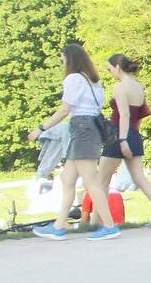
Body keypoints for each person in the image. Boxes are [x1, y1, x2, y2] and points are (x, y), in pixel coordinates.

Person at [26, 42, 120, 240]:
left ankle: (109, 225)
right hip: (88, 128)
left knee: (90, 181)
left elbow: (64, 109)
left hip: (82, 128)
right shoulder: (93, 81)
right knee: (67, 179)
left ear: (70, 59)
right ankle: (59, 225)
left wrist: (41, 129)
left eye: (63, 58)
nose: (62, 62)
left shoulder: (73, 79)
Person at [94, 53, 151, 228]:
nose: (109, 73)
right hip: (134, 133)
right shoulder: (138, 87)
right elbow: (139, 115)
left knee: (102, 181)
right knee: (140, 178)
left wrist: (123, 140)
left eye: (110, 69)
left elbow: (124, 114)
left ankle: (95, 222)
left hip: (118, 135)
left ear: (117, 67)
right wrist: (131, 136)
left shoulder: (120, 88)